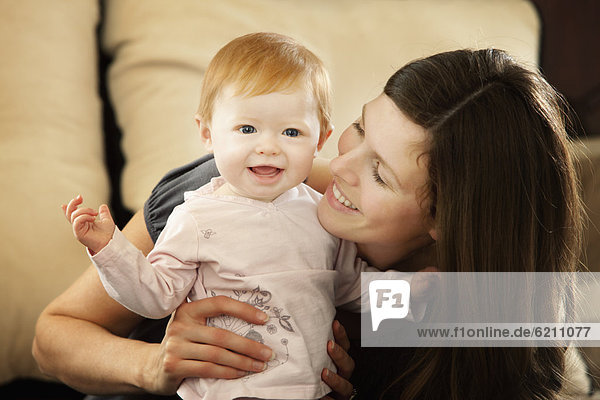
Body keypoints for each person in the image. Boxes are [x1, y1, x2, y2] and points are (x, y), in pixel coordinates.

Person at [34, 48, 588, 400]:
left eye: (381, 174)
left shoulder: (463, 309)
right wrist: (151, 364)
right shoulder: (229, 191)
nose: (336, 167)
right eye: (358, 128)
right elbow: (54, 336)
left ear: (450, 221)